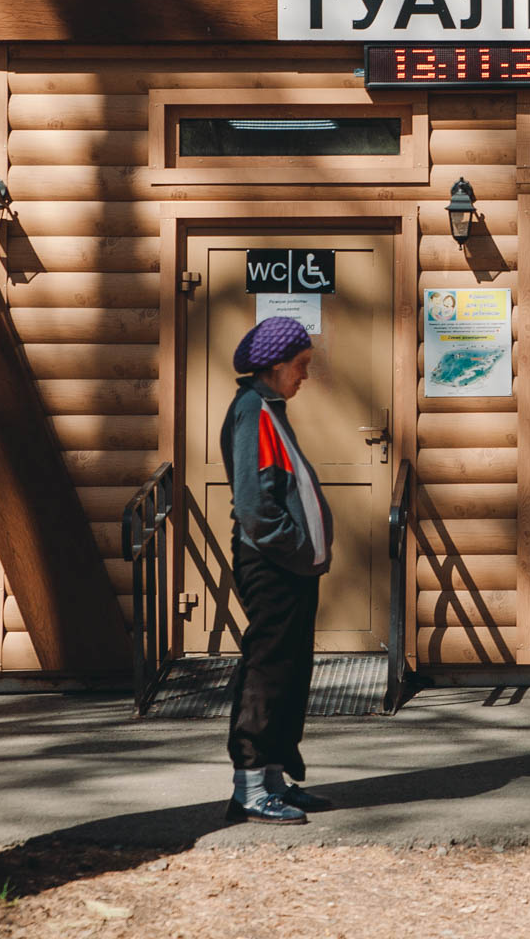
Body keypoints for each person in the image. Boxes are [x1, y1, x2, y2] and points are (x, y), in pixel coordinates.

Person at [221, 316, 337, 825]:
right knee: (267, 669)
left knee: (290, 669)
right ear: (275, 365)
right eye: (301, 365)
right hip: (271, 563)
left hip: (291, 565)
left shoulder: (271, 408)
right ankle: (249, 787)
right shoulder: (252, 412)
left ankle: (273, 780)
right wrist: (295, 548)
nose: (305, 376)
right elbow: (254, 504)